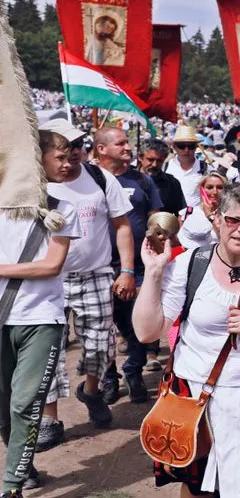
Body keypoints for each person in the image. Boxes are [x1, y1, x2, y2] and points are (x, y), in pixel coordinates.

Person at [132, 183, 240, 497]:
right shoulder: (189, 265)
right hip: (196, 397)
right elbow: (147, 332)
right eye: (233, 220)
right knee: (198, 488)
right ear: (216, 218)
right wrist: (155, 272)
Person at [37, 118, 134, 447]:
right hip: (48, 280)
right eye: (64, 149)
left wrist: (127, 271)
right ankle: (50, 418)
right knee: (48, 351)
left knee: (100, 346)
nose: (74, 154)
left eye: (78, 146)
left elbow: (122, 226)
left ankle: (91, 392)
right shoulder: (35, 186)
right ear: (44, 153)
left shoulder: (100, 178)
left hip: (96, 274)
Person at [0, 131, 81, 496]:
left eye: (70, 157)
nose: (69, 164)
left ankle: (12, 485)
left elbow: (51, 266)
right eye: (60, 157)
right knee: (3, 407)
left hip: (41, 319)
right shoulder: (3, 202)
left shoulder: (65, 209)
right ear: (37, 158)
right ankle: (24, 464)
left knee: (25, 402)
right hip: (3, 318)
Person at [93, 126, 163, 404]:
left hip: (137, 267)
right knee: (100, 328)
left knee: (136, 323)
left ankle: (133, 370)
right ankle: (108, 378)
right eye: (120, 143)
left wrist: (159, 233)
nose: (127, 147)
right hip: (97, 268)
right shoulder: (89, 181)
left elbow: (155, 215)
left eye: (126, 142)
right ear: (101, 149)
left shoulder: (142, 181)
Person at [179, 172, 228, 253]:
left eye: (219, 187)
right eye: (209, 187)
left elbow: (227, 239)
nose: (215, 192)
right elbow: (179, 241)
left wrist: (209, 214)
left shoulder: (229, 215)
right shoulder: (188, 213)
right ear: (202, 189)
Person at [141, 139, 188, 219]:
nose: (154, 164)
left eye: (159, 161)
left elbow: (180, 214)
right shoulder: (128, 179)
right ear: (140, 157)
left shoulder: (172, 183)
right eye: (150, 160)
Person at [166, 124, 208, 209]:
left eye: (190, 146)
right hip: (173, 217)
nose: (186, 150)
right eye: (181, 146)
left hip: (198, 217)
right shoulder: (166, 167)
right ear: (174, 147)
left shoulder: (206, 168)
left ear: (196, 147)